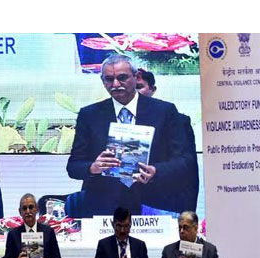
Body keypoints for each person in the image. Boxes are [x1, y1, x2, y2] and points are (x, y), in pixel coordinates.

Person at [66, 54, 190, 217]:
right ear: (102, 81)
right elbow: (73, 166)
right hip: (104, 206)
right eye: (109, 79)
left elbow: (184, 161)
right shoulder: (89, 115)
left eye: (122, 78)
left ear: (136, 77)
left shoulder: (164, 112)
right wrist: (93, 167)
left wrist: (156, 171)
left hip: (154, 203)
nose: (115, 84)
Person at [136, 68, 199, 213]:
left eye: (140, 87)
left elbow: (188, 168)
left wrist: (188, 213)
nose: (135, 93)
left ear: (152, 89)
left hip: (161, 203)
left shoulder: (177, 120)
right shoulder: (111, 120)